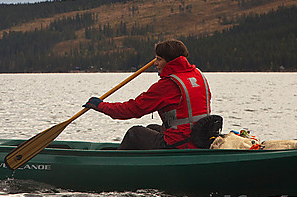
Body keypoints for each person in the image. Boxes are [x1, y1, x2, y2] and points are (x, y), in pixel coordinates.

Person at [83, 39, 221, 149]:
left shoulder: (168, 85)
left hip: (181, 144)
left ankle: (114, 168)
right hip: (199, 139)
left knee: (135, 133)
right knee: (151, 129)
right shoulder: (197, 75)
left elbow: (133, 109)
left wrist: (101, 106)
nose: (155, 63)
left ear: (170, 62)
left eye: (159, 59)